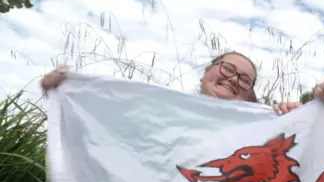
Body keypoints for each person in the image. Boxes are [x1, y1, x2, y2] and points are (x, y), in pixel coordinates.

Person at [40, 51, 302, 114]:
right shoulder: (158, 110)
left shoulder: (262, 127)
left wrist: (292, 117)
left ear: (250, 95)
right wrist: (63, 89)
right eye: (227, 68)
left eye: (244, 79)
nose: (233, 78)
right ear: (206, 72)